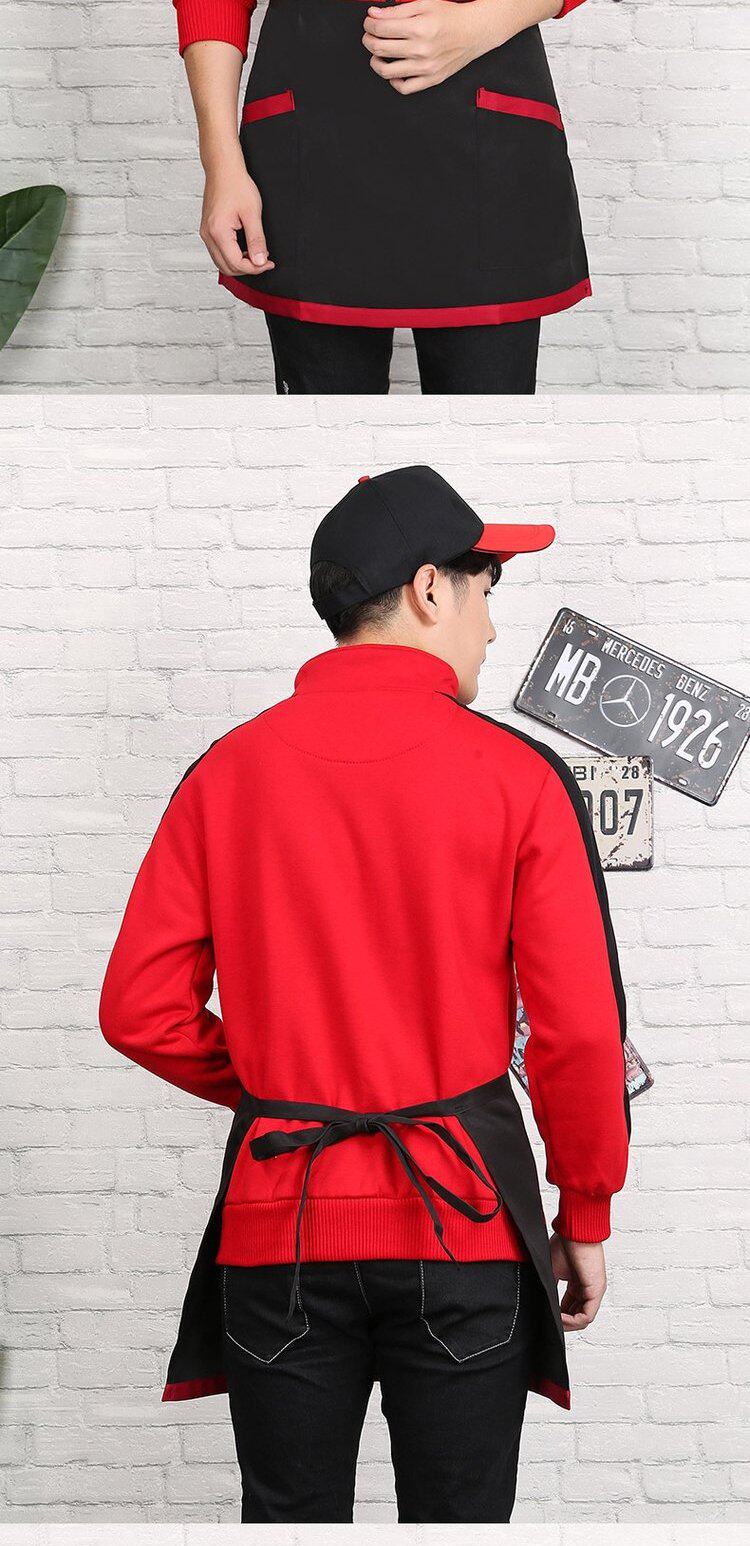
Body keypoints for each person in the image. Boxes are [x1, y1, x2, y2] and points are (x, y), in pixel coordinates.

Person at [99, 465, 631, 1522]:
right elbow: (576, 1029)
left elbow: (138, 1010)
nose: (490, 626)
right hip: (464, 1224)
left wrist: (283, 1085)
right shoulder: (520, 775)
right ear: (431, 589)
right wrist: (584, 1208)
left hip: (280, 1226)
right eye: (486, 591)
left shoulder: (227, 770)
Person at [174, 0, 591, 393]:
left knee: (485, 431)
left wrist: (481, 24)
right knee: (325, 429)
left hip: (488, 146)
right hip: (313, 152)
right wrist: (221, 163)